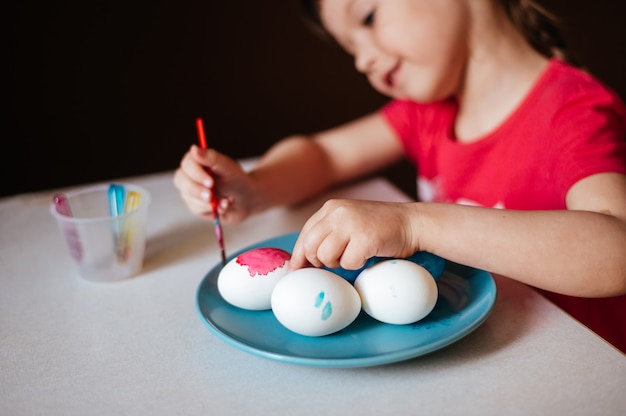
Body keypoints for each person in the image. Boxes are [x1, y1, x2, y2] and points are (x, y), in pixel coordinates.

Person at [174, 0, 626, 352]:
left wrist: (415, 223)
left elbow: (618, 248)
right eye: (350, 47)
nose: (362, 61)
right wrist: (254, 187)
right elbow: (324, 155)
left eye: (368, 17)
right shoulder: (426, 114)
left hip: (571, 359)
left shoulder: (570, 111)